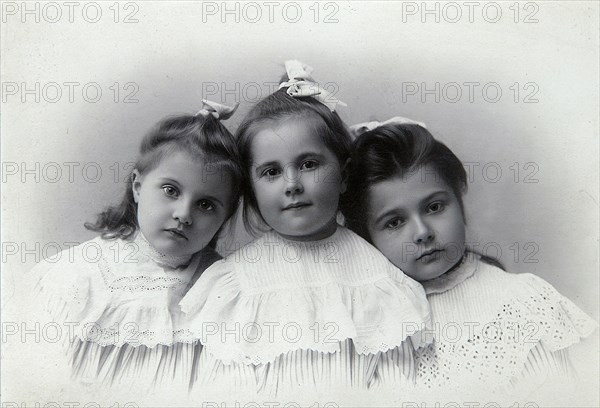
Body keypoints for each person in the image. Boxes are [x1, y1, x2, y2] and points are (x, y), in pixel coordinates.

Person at [180, 61, 431, 405]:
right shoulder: (233, 283)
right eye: (271, 172)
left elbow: (401, 382)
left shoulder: (380, 277)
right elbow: (217, 387)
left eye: (309, 164)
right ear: (252, 191)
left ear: (343, 175)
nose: (293, 184)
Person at [341, 121, 597, 404]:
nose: (422, 232)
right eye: (395, 222)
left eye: (434, 207)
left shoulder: (522, 300)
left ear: (458, 196)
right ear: (366, 235)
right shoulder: (366, 323)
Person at [31, 101, 242, 405]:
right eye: (171, 190)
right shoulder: (80, 273)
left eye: (206, 204)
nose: (184, 214)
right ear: (138, 187)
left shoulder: (223, 287)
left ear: (224, 216)